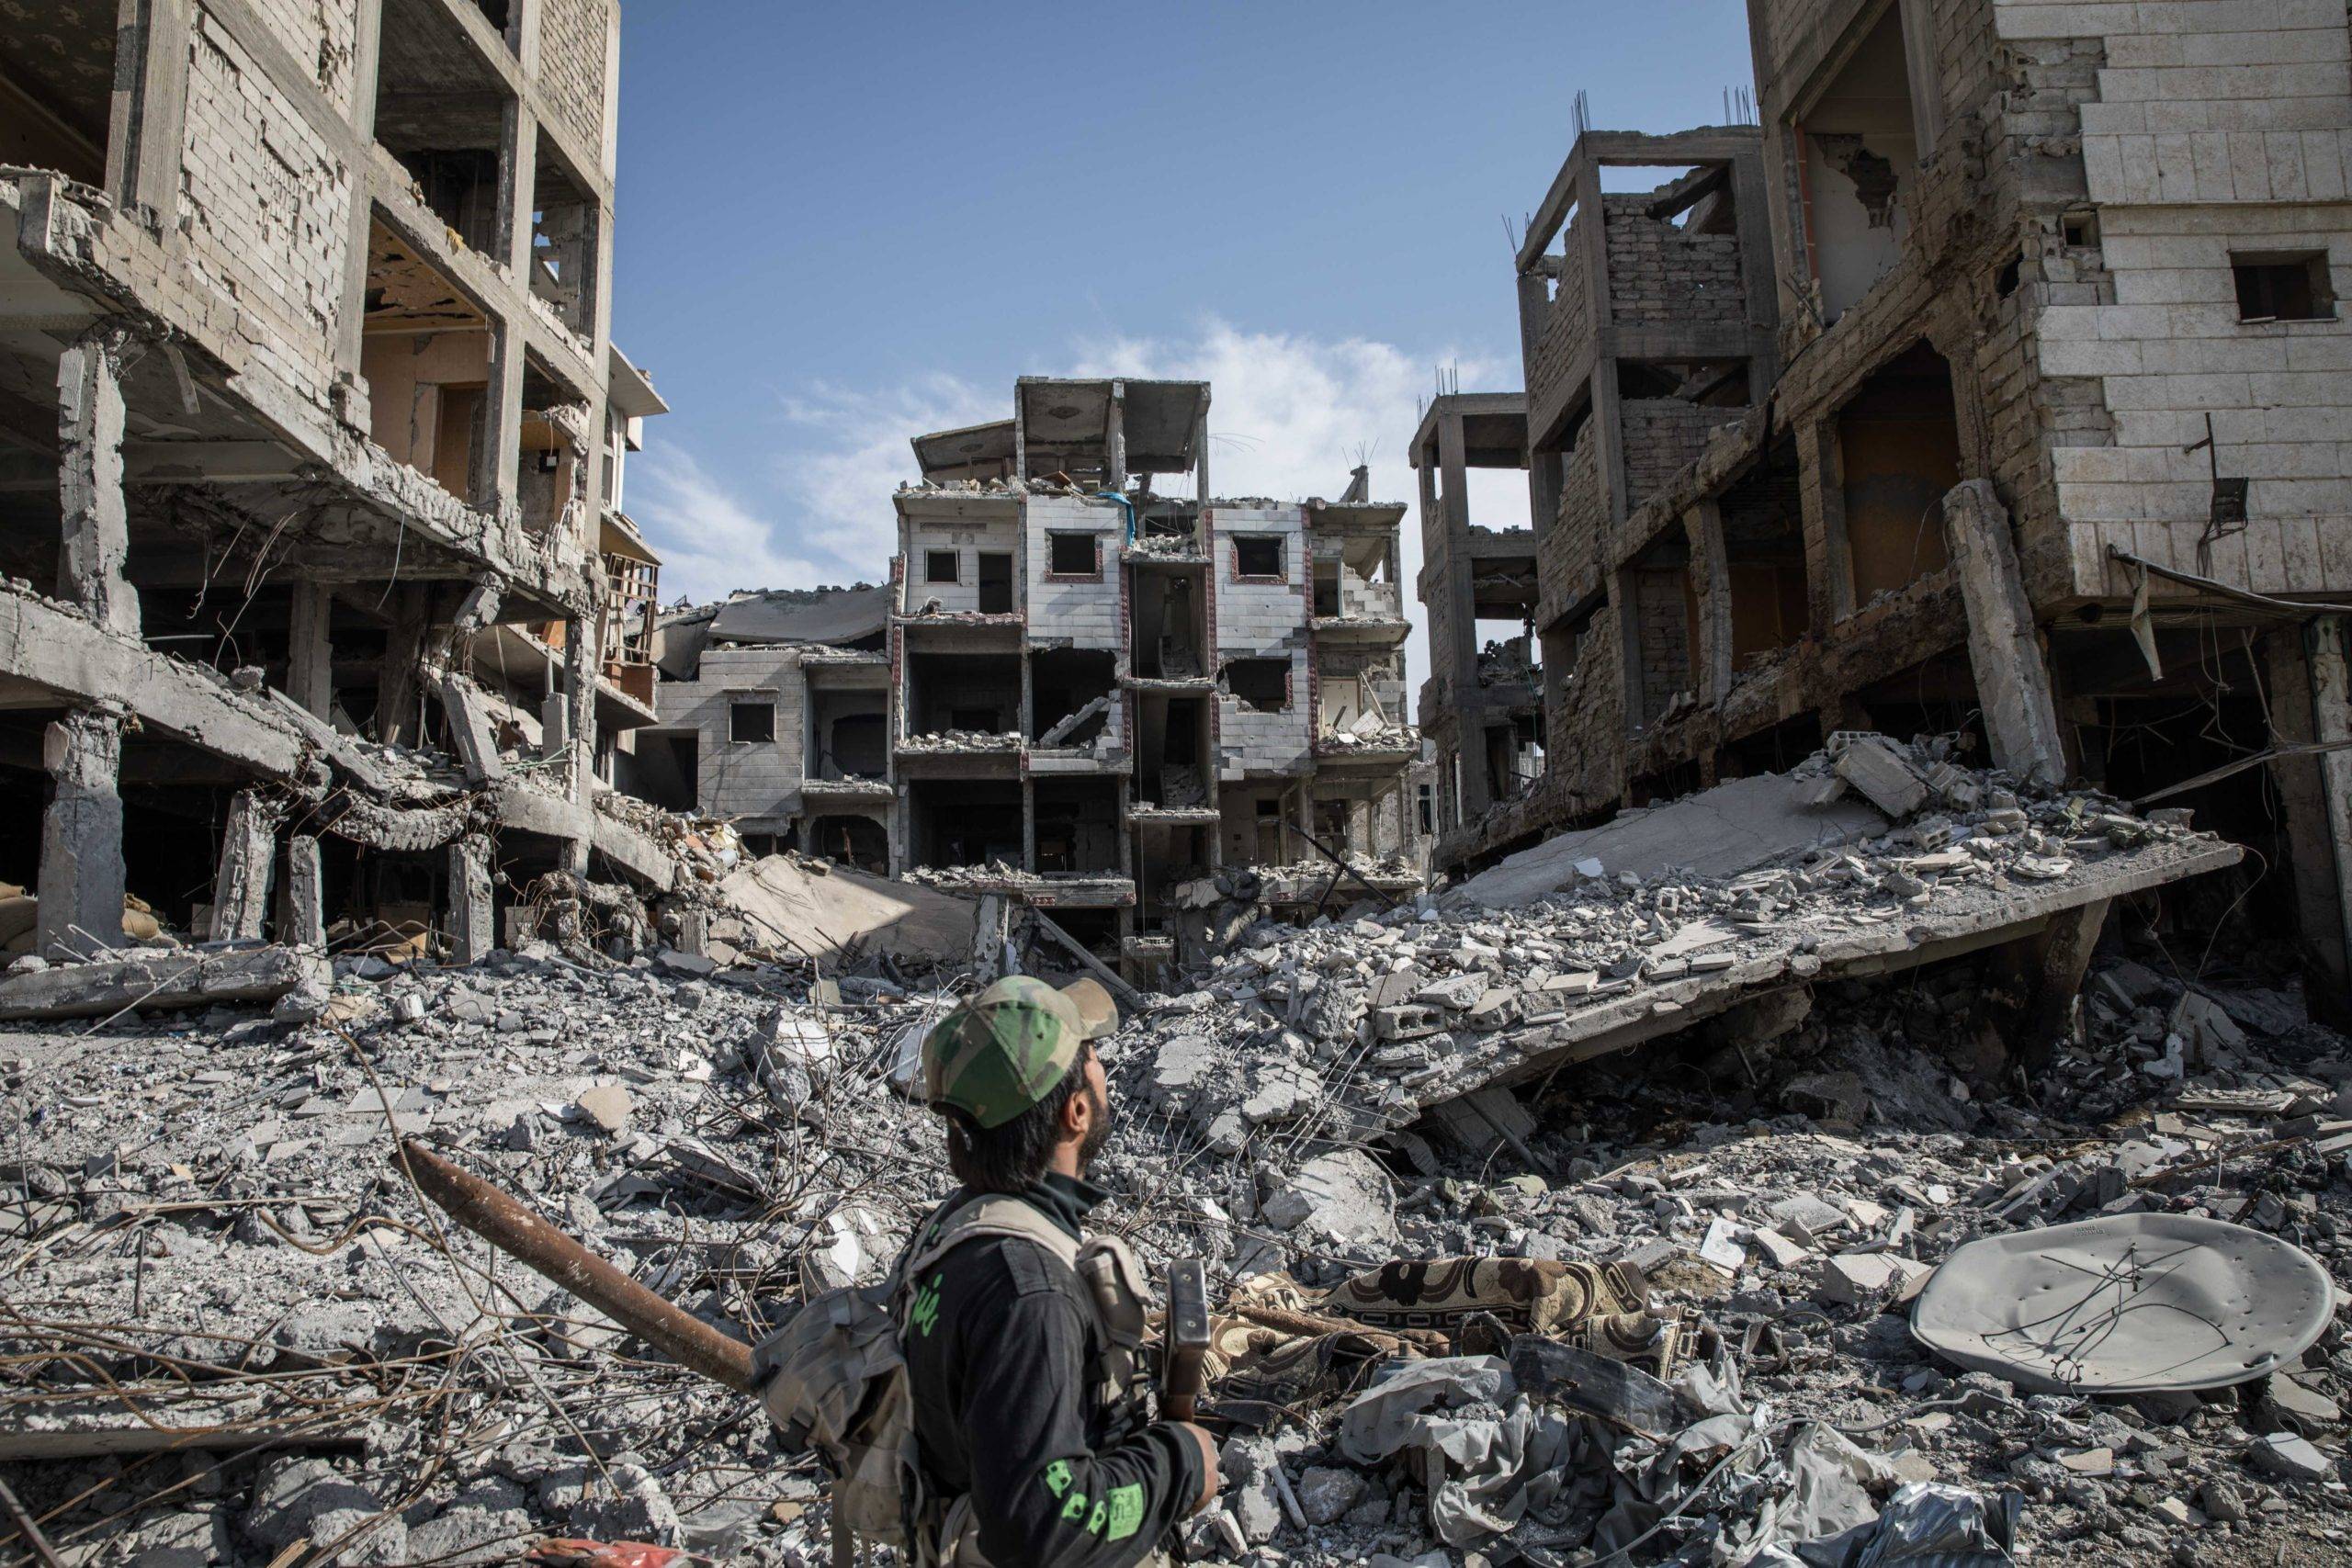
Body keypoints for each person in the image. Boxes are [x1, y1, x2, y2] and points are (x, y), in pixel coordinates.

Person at [899, 975, 1219, 1566]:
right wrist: (1181, 1463)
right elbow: (1039, 1527)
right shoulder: (1031, 1296)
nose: (1103, 1070)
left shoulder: (953, 1231)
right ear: (1075, 1112)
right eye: (1092, 1056)